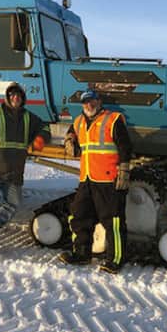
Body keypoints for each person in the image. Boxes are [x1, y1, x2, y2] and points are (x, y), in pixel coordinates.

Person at [0, 82, 51, 256]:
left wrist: (40, 138)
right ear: (8, 97)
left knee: (13, 203)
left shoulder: (29, 118)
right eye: (12, 95)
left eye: (19, 95)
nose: (16, 98)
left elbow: (45, 127)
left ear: (23, 99)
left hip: (15, 171)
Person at [59, 89, 132, 274]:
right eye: (85, 102)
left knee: (112, 221)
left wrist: (124, 170)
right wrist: (69, 139)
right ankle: (82, 254)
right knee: (79, 216)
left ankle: (115, 260)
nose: (88, 105)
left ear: (99, 102)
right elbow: (71, 134)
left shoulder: (113, 119)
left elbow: (125, 146)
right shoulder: (78, 121)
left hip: (108, 179)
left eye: (92, 101)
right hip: (87, 177)